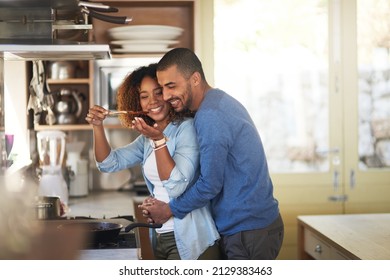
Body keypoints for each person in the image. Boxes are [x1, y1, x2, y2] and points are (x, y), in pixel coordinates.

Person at [140, 48, 284, 260]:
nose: (167, 95)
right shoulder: (217, 102)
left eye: (172, 86)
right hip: (250, 227)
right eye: (163, 87)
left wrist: (170, 209)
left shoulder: (210, 116)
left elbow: (210, 184)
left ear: (195, 79)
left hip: (247, 232)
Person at [85, 63, 220, 260]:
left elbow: (175, 187)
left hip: (192, 239)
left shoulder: (186, 129)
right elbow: (108, 163)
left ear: (169, 94)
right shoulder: (147, 138)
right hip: (160, 235)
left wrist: (159, 141)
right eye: (144, 96)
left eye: (158, 93)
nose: (152, 101)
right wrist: (97, 126)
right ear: (136, 102)